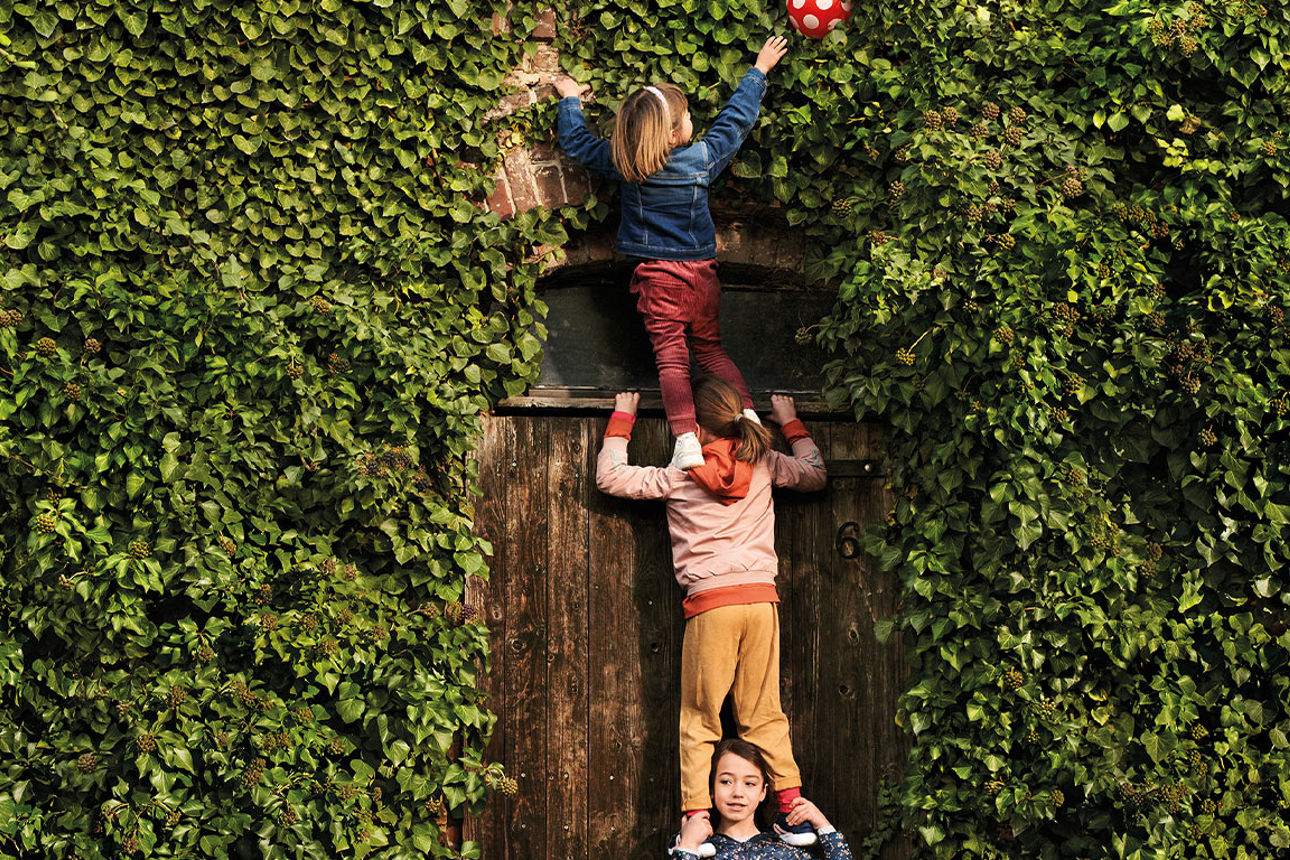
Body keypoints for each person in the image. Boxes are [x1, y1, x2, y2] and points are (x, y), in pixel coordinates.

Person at [595, 377, 827, 851]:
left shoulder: (682, 473)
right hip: (761, 603)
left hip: (712, 606)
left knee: (701, 718)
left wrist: (622, 419)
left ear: (691, 425)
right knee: (764, 711)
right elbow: (815, 472)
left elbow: (610, 478)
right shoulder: (762, 463)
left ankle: (697, 818)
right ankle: (793, 809)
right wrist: (791, 422)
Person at [555, 35, 790, 470]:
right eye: (685, 118)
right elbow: (735, 122)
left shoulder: (624, 161)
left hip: (658, 283)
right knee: (714, 353)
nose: (691, 123)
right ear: (672, 132)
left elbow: (576, 142)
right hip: (702, 279)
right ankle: (750, 415)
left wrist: (570, 98)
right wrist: (758, 70)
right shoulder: (700, 159)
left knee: (672, 363)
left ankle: (685, 441)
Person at [671, 739, 853, 859]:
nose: (738, 792)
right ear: (710, 789)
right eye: (726, 781)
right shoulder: (697, 850)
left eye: (750, 783)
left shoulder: (787, 851)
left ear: (763, 792)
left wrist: (823, 825)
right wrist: (687, 847)